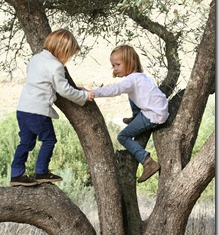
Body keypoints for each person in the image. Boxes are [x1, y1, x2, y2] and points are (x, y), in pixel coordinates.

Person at [10, 29, 94, 187]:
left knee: (26, 142)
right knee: (49, 140)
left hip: (23, 109)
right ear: (62, 50)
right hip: (38, 111)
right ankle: (41, 172)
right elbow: (64, 90)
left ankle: (16, 174)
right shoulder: (56, 67)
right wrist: (84, 96)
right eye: (68, 55)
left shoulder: (35, 59)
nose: (68, 59)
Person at [92, 45, 169, 183]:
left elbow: (114, 89)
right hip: (160, 109)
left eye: (118, 64)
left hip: (153, 115)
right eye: (113, 65)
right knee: (130, 93)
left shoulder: (131, 80)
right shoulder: (140, 77)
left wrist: (93, 93)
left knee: (122, 136)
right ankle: (136, 116)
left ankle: (148, 162)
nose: (115, 68)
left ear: (130, 62)